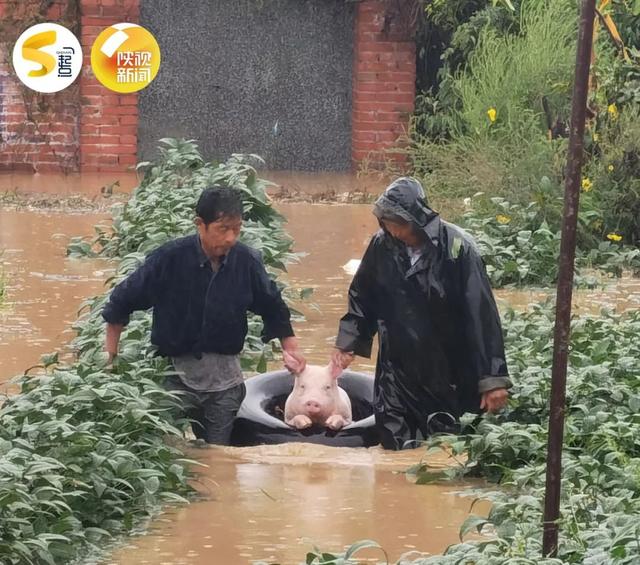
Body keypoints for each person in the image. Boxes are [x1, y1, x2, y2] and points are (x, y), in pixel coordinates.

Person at [102, 186, 306, 445]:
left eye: (237, 229)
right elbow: (121, 301)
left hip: (225, 381)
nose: (231, 237)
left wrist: (291, 350)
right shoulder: (170, 258)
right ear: (200, 224)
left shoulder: (247, 261)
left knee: (216, 457)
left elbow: (273, 307)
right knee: (166, 450)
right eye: (223, 229)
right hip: (173, 378)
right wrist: (110, 359)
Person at [332, 177, 511, 450]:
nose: (391, 229)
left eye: (396, 222)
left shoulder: (457, 249)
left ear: (415, 219)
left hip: (447, 374)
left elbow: (481, 315)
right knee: (394, 450)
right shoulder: (382, 246)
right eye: (386, 221)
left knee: (445, 450)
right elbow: (363, 295)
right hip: (396, 372)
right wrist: (349, 342)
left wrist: (492, 379)